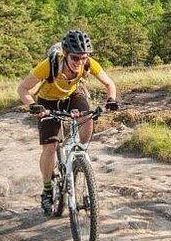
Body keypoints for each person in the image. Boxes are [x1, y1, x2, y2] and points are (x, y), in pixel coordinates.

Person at [17, 30, 120, 215]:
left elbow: (109, 83)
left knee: (87, 119)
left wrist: (111, 99)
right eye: (75, 57)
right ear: (65, 54)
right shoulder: (49, 65)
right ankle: (48, 189)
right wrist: (32, 105)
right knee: (50, 146)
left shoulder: (87, 63)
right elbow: (23, 88)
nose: (79, 62)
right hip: (47, 101)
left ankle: (79, 156)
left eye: (83, 57)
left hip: (72, 94)